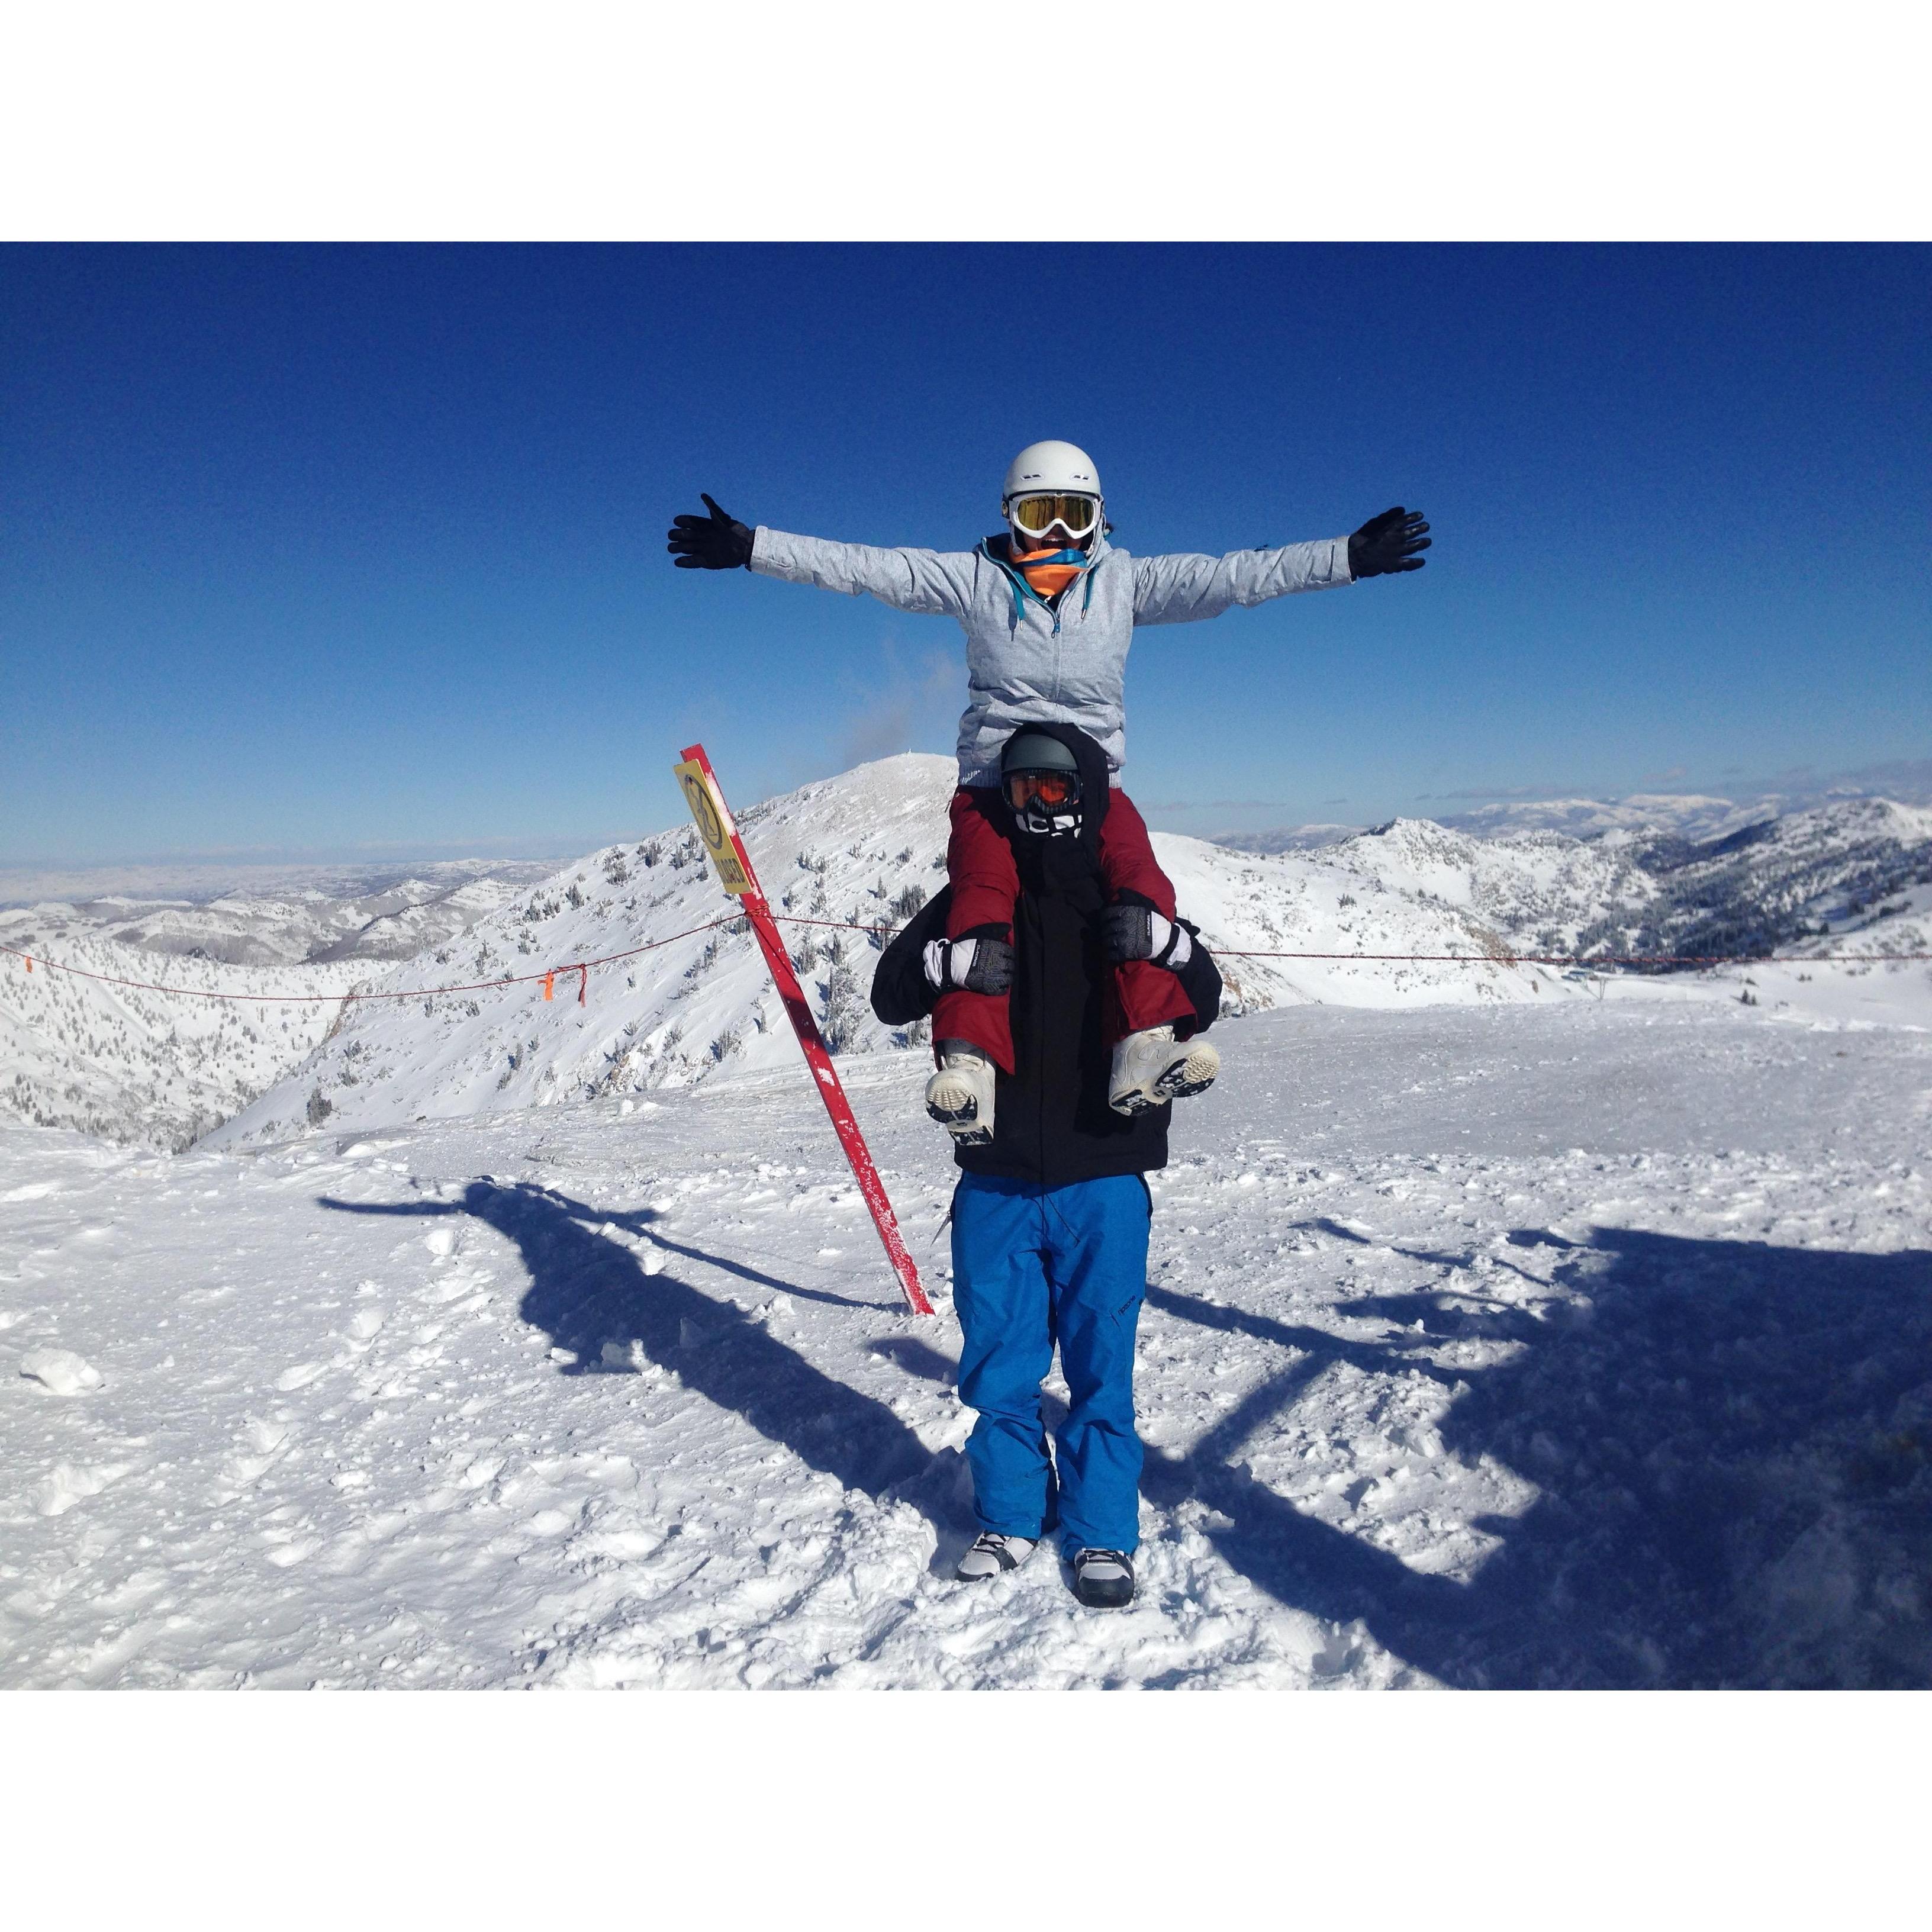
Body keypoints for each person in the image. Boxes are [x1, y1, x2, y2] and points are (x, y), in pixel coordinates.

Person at [666, 442, 1429, 1141]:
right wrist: (753, 548)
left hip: (1095, 790)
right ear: (1010, 516)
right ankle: (969, 1064)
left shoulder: (1127, 583)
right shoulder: (974, 580)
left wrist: (1346, 558)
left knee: (1140, 887)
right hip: (992, 789)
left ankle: (1144, 1046)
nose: (1057, 532)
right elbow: (869, 568)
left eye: (1074, 513)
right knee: (982, 896)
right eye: (1040, 514)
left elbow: (1234, 577)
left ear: (1100, 518)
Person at [870, 722, 1225, 1610]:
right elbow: (890, 994)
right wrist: (950, 959)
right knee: (1001, 1365)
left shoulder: (1118, 894)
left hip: (1104, 1172)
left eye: (1057, 789)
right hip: (996, 1175)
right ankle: (1012, 1515)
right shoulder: (974, 898)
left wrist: (1167, 945)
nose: (1039, 806)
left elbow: (1205, 994)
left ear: (1088, 793)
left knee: (1102, 1366)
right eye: (1023, 789)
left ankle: (1101, 1529)